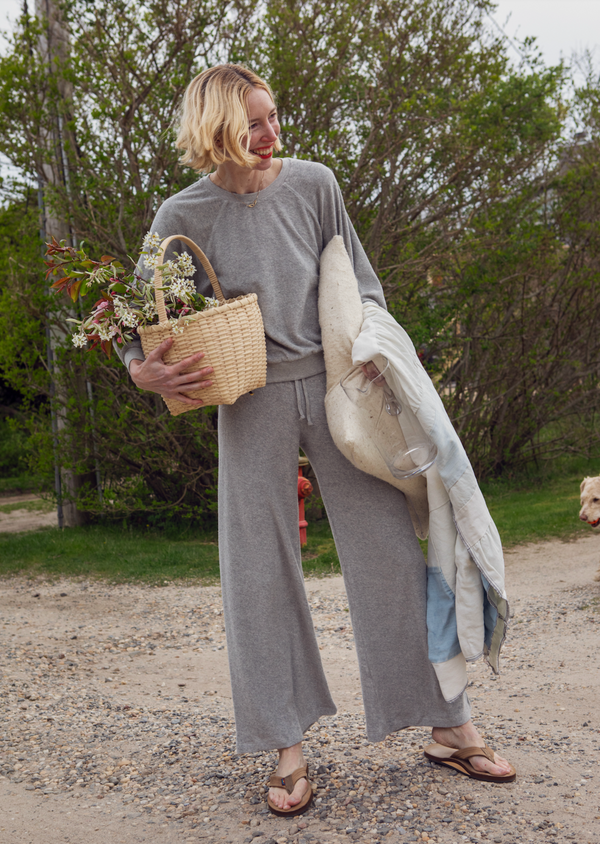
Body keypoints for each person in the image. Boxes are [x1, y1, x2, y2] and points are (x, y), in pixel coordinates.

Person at [117, 63, 514, 816]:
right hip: (249, 397)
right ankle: (287, 750)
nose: (272, 135)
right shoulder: (181, 213)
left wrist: (373, 341)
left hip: (337, 385)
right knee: (258, 569)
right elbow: (138, 322)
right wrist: (146, 374)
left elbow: (362, 281)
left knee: (393, 549)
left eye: (273, 118)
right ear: (218, 131)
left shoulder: (315, 183)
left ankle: (450, 725)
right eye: (255, 123)